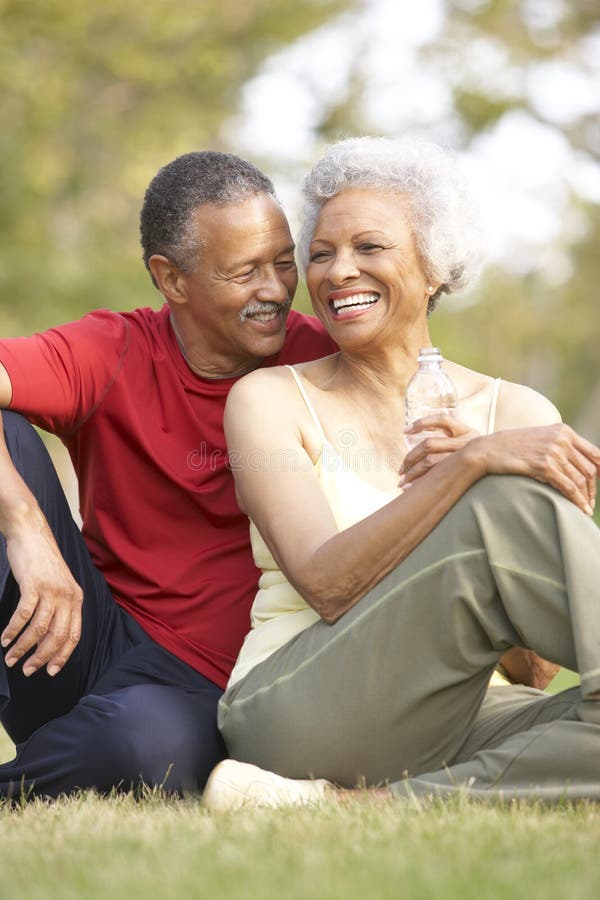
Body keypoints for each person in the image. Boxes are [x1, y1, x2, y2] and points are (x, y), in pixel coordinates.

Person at [205, 136, 600, 811]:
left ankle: (357, 804)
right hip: (301, 703)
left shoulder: (517, 411)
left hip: (464, 716)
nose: (337, 272)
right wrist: (467, 473)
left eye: (370, 248)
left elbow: (534, 670)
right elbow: (327, 585)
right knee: (499, 493)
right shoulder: (270, 400)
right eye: (322, 255)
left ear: (435, 267)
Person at [0, 150, 338, 799]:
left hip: (203, 687)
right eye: (244, 271)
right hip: (70, 639)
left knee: (144, 748)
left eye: (282, 261)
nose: (274, 289)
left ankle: (40, 773)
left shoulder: (320, 361)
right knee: (6, 437)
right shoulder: (113, 350)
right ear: (171, 279)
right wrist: (25, 529)